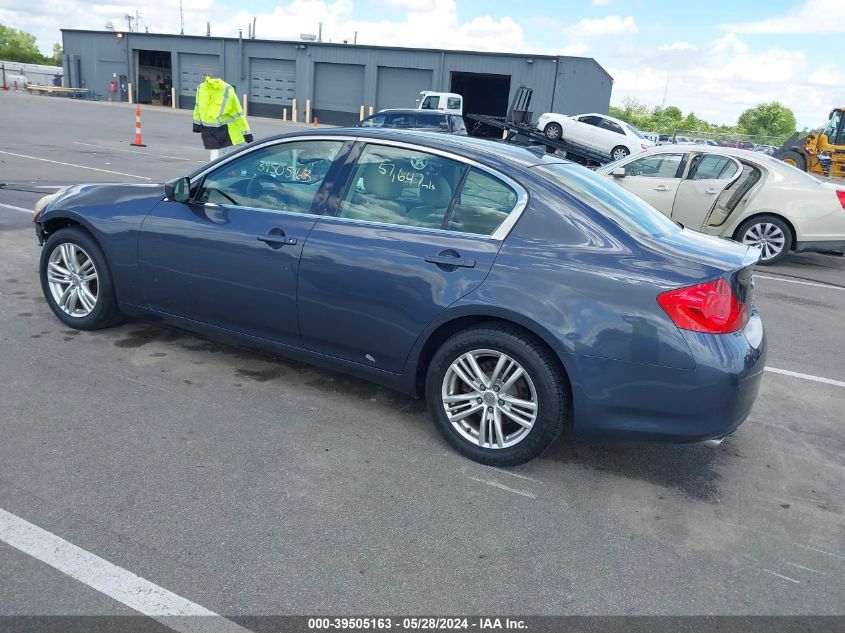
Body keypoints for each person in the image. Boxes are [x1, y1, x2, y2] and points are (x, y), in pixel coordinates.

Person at [192, 74, 253, 155]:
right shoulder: (227, 89)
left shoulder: (201, 88)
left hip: (210, 134)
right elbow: (238, 113)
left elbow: (197, 107)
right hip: (227, 135)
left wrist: (196, 125)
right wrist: (247, 134)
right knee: (228, 162)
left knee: (217, 162)